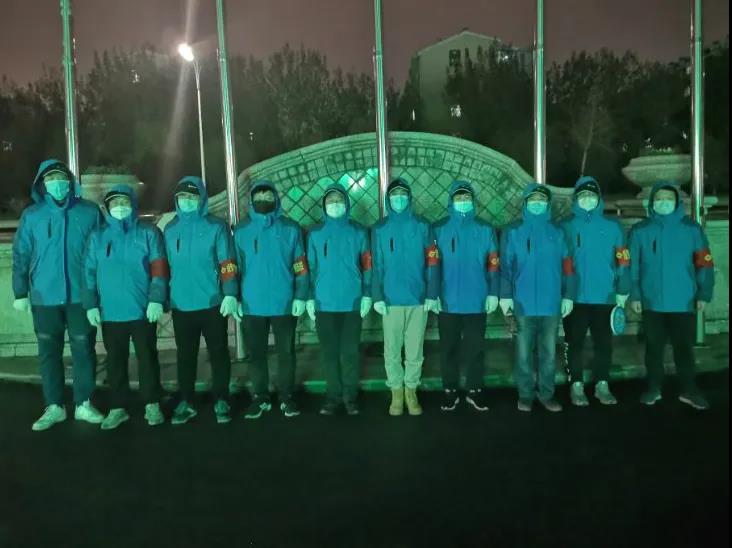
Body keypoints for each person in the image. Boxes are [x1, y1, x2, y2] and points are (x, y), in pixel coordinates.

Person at [12, 159, 105, 431]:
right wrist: (20, 291)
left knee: (84, 350)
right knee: (48, 352)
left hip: (80, 295)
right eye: (50, 179)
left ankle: (84, 403)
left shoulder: (89, 212)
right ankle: (54, 406)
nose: (57, 184)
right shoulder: (32, 216)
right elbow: (21, 254)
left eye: (61, 178)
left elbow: (100, 253)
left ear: (70, 182)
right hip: (44, 296)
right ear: (42, 183)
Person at [82, 185, 168, 429]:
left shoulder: (148, 233)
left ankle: (152, 402)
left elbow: (159, 268)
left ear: (133, 205)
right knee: (115, 360)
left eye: (124, 202)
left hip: (142, 309)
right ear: (107, 208)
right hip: (110, 311)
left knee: (147, 357)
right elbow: (88, 272)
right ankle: (118, 407)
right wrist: (90, 304)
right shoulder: (97, 237)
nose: (120, 207)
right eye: (115, 203)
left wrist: (156, 299)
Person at [629, 182, 715, 410]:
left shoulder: (692, 229)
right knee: (653, 348)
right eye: (659, 198)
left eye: (668, 198)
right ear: (652, 202)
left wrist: (704, 293)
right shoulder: (640, 231)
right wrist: (635, 295)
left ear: (677, 202)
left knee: (683, 349)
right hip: (652, 302)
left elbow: (704, 264)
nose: (663, 202)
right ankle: (653, 388)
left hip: (683, 301)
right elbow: (632, 267)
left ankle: (689, 390)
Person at [163, 176, 241, 425]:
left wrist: (230, 293)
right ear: (176, 200)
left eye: (192, 197)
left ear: (201, 199)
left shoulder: (216, 227)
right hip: (181, 305)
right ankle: (186, 401)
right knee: (185, 356)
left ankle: (222, 399)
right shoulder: (170, 229)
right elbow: (164, 267)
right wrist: (162, 298)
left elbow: (227, 263)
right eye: (183, 197)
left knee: (218, 353)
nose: (187, 201)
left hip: (212, 302)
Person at [233, 181, 308, 419]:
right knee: (256, 354)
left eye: (268, 196)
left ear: (276, 198)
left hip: (284, 302)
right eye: (259, 196)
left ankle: (286, 396)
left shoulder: (291, 229)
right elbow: (234, 267)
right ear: (252, 200)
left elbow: (300, 265)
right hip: (251, 303)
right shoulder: (241, 231)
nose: (264, 200)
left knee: (286, 352)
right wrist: (233, 297)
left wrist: (301, 295)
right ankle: (260, 397)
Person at [500, 183, 577, 413]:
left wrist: (568, 295)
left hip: (550, 303)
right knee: (523, 354)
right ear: (525, 203)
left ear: (547, 204)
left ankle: (547, 394)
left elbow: (568, 266)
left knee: (548, 354)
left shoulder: (558, 232)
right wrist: (505, 296)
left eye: (541, 200)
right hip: (522, 303)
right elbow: (505, 267)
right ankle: (525, 395)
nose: (537, 204)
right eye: (533, 200)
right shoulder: (513, 231)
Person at [371, 178, 439, 416]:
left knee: (414, 350)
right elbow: (376, 265)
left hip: (417, 299)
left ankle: (411, 390)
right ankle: (396, 392)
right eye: (394, 196)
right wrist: (377, 296)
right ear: (388, 199)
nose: (398, 199)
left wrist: (431, 293)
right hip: (390, 301)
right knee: (391, 350)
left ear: (409, 198)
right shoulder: (379, 228)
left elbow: (432, 261)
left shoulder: (423, 226)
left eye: (402, 195)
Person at [561, 176, 630, 406]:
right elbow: (562, 262)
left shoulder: (613, 227)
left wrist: (622, 289)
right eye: (583, 196)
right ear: (576, 199)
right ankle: (576, 385)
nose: (587, 199)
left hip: (605, 295)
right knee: (574, 342)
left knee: (604, 343)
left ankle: (602, 384)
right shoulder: (566, 226)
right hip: (575, 297)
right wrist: (564, 293)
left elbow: (623, 261)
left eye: (591, 195)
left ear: (599, 199)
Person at [432, 180, 499, 412]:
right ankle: (449, 390)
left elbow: (493, 264)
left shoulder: (485, 229)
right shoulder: (439, 228)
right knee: (448, 348)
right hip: (447, 300)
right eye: (458, 197)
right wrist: (433, 293)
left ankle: (474, 390)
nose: (463, 201)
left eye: (466, 197)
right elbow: (432, 265)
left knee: (475, 349)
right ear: (451, 201)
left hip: (477, 300)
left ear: (473, 201)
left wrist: (493, 293)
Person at [306, 184, 372, 416]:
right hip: (324, 303)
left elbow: (367, 266)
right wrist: (309, 298)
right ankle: (333, 397)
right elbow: (310, 268)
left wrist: (367, 294)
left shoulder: (359, 232)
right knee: (329, 353)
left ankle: (350, 397)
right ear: (324, 206)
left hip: (352, 302)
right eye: (331, 201)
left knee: (350, 352)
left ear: (347, 203)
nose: (335, 205)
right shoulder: (315, 234)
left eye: (339, 200)